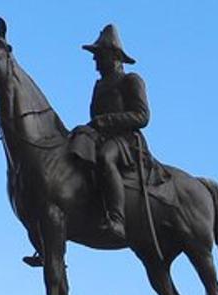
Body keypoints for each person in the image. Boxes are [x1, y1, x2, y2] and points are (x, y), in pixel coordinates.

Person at [69, 24, 150, 242]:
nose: (95, 62)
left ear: (114, 56)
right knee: (73, 146)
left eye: (99, 56)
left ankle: (117, 219)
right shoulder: (99, 85)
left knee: (106, 157)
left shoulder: (131, 80)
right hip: (102, 136)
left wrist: (107, 120)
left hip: (125, 140)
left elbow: (142, 117)